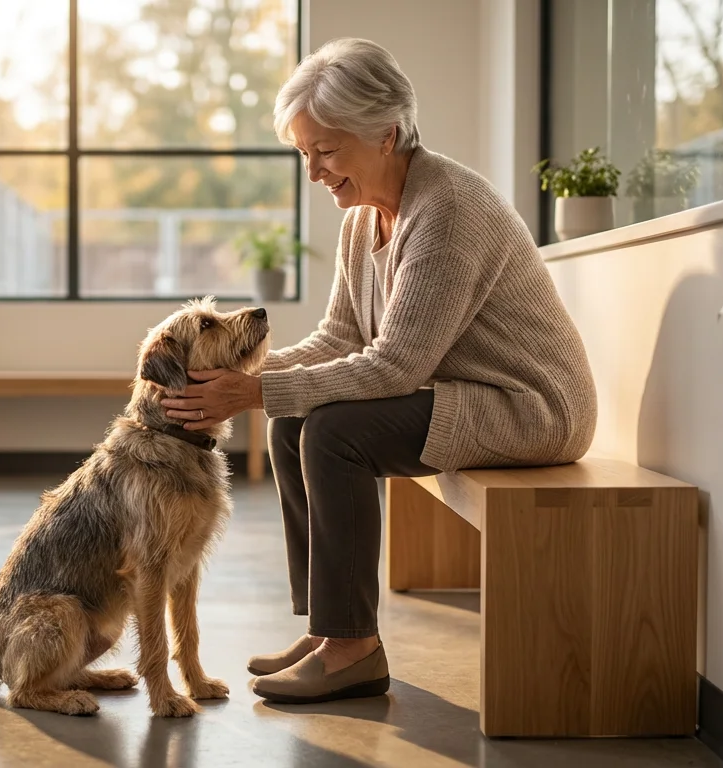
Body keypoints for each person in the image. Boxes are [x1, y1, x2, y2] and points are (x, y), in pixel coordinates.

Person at [160, 38, 597, 705]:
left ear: (385, 133)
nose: (314, 173)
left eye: (326, 152)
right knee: (291, 422)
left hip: (529, 408)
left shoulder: (447, 209)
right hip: (461, 395)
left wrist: (254, 389)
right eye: (304, 154)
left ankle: (353, 651)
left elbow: (396, 364)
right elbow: (340, 336)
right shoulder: (364, 219)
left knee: (333, 433)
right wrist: (251, 383)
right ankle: (331, 627)